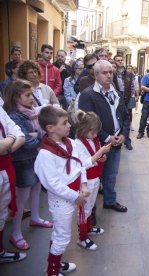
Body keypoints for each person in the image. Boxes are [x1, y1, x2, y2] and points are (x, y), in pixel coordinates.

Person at [34, 106, 89, 275]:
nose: (69, 125)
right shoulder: (45, 155)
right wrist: (75, 196)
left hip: (76, 194)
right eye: (65, 123)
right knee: (62, 237)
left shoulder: (70, 142)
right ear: (50, 128)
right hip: (62, 200)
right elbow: (53, 184)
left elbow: (80, 163)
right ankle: (52, 271)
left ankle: (55, 264)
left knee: (61, 234)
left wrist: (84, 184)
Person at [3, 80, 51, 251]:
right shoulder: (14, 116)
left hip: (35, 157)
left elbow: (36, 136)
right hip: (23, 161)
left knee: (36, 189)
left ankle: (36, 217)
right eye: (28, 95)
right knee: (21, 199)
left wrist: (35, 134)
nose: (32, 98)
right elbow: (29, 142)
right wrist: (38, 134)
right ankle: (16, 233)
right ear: (16, 98)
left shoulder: (31, 112)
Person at [78, 60, 129, 213]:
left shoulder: (117, 92)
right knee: (93, 178)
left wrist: (123, 135)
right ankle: (89, 212)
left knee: (111, 175)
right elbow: (87, 123)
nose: (108, 75)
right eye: (104, 72)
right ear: (95, 75)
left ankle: (110, 201)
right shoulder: (87, 95)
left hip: (116, 141)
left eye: (110, 72)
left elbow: (126, 116)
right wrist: (107, 137)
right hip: (96, 144)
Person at [74, 112, 110, 250]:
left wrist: (102, 157)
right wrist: (100, 153)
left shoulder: (93, 140)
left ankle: (88, 229)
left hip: (95, 178)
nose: (96, 135)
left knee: (90, 206)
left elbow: (96, 158)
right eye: (93, 132)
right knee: (84, 209)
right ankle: (82, 237)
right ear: (85, 129)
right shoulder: (78, 144)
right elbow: (84, 163)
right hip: (85, 181)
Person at [0, 99, 26, 264]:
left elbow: (19, 132)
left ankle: (0, 251)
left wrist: (7, 144)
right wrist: (10, 139)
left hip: (5, 168)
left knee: (2, 212)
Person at [113, 55, 134, 150]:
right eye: (118, 60)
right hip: (115, 100)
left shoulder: (129, 74)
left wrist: (132, 98)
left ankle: (127, 140)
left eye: (121, 60)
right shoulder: (112, 73)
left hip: (126, 100)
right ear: (115, 62)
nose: (120, 61)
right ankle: (116, 139)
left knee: (127, 120)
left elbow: (132, 86)